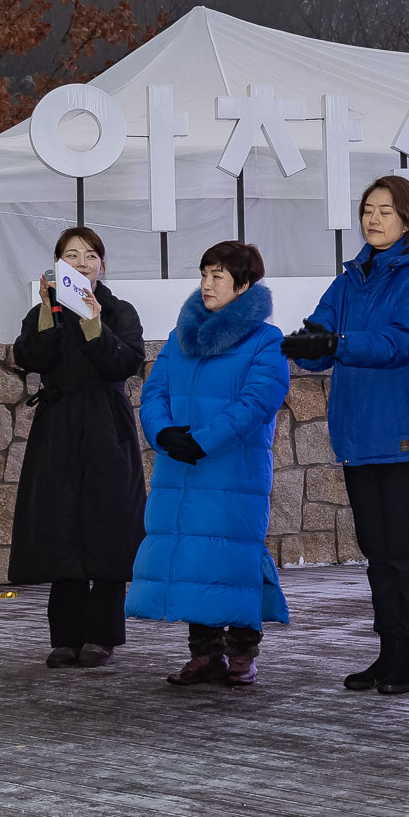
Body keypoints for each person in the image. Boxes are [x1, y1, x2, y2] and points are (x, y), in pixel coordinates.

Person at [279, 177, 409, 695]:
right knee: (376, 550)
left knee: (404, 549)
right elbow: (320, 339)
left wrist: (337, 340)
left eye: (386, 211)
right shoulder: (351, 278)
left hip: (402, 434)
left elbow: (398, 343)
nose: (374, 220)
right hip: (358, 435)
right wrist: (297, 344)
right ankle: (389, 650)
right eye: (368, 211)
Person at [127, 240, 290, 686]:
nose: (207, 285)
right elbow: (153, 389)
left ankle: (241, 652)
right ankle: (204, 653)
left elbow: (257, 401)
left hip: (231, 471)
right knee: (193, 559)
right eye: (204, 274)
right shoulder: (183, 338)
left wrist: (202, 441)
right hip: (180, 466)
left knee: (232, 559)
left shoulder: (266, 340)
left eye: (218, 276)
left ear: (244, 284)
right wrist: (163, 433)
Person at [9, 226, 147, 668]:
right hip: (59, 427)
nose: (82, 262)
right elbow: (31, 358)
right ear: (56, 264)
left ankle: (102, 637)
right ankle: (64, 637)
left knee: (107, 526)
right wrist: (50, 315)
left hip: (107, 426)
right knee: (60, 525)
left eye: (91, 255)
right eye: (72, 255)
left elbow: (126, 362)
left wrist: (93, 324)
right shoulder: (42, 312)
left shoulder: (119, 310)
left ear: (102, 265)